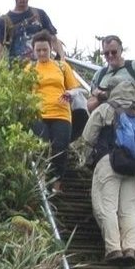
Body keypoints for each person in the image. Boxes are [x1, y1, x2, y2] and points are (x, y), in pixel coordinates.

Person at [86, 35, 135, 261]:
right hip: (134, 164)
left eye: (113, 52)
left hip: (108, 160)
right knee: (132, 208)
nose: (109, 56)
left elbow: (88, 136)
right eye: (106, 53)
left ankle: (114, 248)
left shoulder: (106, 108)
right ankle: (131, 249)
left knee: (106, 205)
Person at [26, 40, 88, 187]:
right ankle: (41, 182)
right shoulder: (30, 68)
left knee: (60, 149)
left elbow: (76, 88)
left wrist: (69, 93)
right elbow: (24, 90)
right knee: (41, 147)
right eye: (38, 50)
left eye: (45, 50)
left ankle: (56, 184)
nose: (42, 53)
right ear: (34, 51)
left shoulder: (62, 66)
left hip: (61, 114)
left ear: (50, 49)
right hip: (39, 113)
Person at [0, 0, 61, 65]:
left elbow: (54, 39)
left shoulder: (40, 14)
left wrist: (62, 60)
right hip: (17, 70)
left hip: (43, 68)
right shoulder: (4, 21)